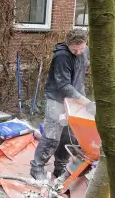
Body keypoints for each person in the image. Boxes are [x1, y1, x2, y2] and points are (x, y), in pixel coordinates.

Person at [30, 29, 91, 180]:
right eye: (74, 50)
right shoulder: (62, 56)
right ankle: (37, 166)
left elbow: (83, 68)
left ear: (85, 44)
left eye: (81, 49)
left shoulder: (85, 51)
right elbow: (63, 85)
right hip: (56, 97)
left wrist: (80, 96)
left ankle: (60, 166)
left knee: (69, 135)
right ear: (67, 44)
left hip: (75, 98)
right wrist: (86, 102)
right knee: (52, 135)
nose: (78, 52)